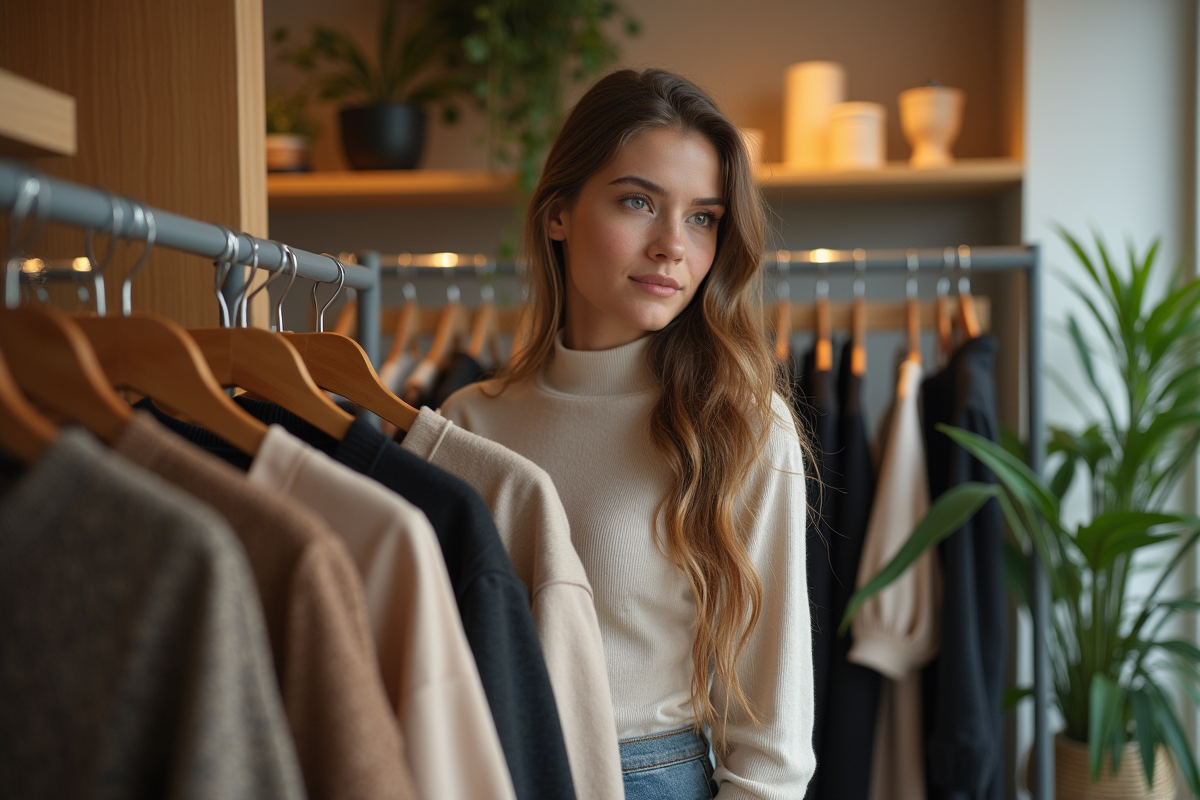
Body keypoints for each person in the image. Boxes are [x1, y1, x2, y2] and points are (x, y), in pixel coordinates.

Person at [440, 68, 815, 800]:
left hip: (647, 775)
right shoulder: (465, 423)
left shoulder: (739, 422)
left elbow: (772, 738)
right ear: (558, 214)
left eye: (703, 218)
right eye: (639, 202)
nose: (673, 245)